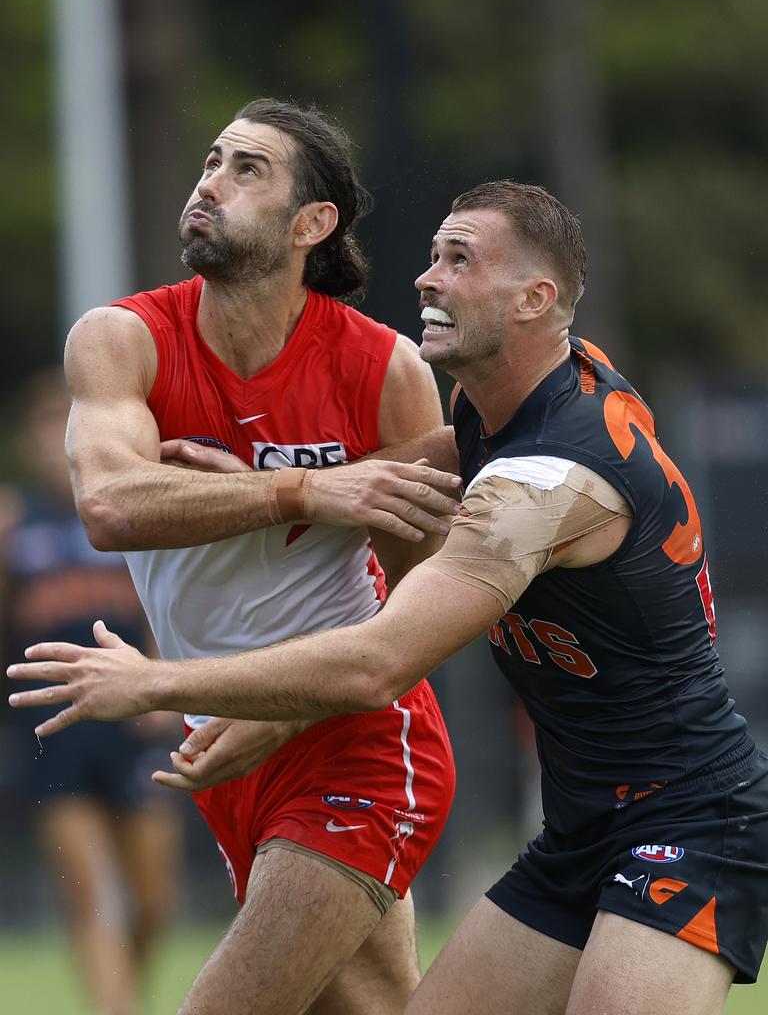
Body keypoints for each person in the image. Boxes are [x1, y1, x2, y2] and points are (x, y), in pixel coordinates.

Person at [12, 178, 768, 1015]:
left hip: (694, 824)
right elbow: (404, 471)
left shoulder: (543, 482)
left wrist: (150, 684)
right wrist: (275, 485)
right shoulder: (521, 402)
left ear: (535, 299)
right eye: (433, 254)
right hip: (582, 830)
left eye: (460, 261)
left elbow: (378, 664)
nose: (425, 277)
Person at [12, 99, 462, 1015]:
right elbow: (110, 502)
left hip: (356, 744)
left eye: (247, 169)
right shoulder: (122, 339)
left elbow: (429, 608)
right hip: (226, 752)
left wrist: (278, 714)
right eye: (212, 160)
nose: (210, 181)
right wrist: (302, 488)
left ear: (312, 225)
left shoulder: (386, 372)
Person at [0, 369, 181, 1015]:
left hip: (132, 720)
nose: (58, 440)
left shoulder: (127, 510)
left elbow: (169, 607)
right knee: (91, 895)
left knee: (153, 904)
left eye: (68, 425)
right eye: (47, 426)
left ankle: (122, 1000)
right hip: (53, 728)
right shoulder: (15, 523)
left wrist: (161, 682)